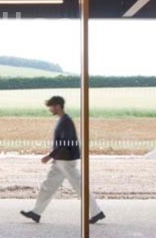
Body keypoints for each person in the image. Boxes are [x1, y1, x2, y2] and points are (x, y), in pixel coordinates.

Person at [21, 95, 104, 224]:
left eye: (51, 106)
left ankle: (96, 212)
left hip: (66, 160)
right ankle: (36, 213)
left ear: (58, 106)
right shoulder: (63, 120)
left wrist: (49, 156)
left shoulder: (66, 122)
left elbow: (65, 143)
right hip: (61, 159)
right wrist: (54, 156)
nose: (50, 109)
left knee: (79, 186)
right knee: (48, 185)